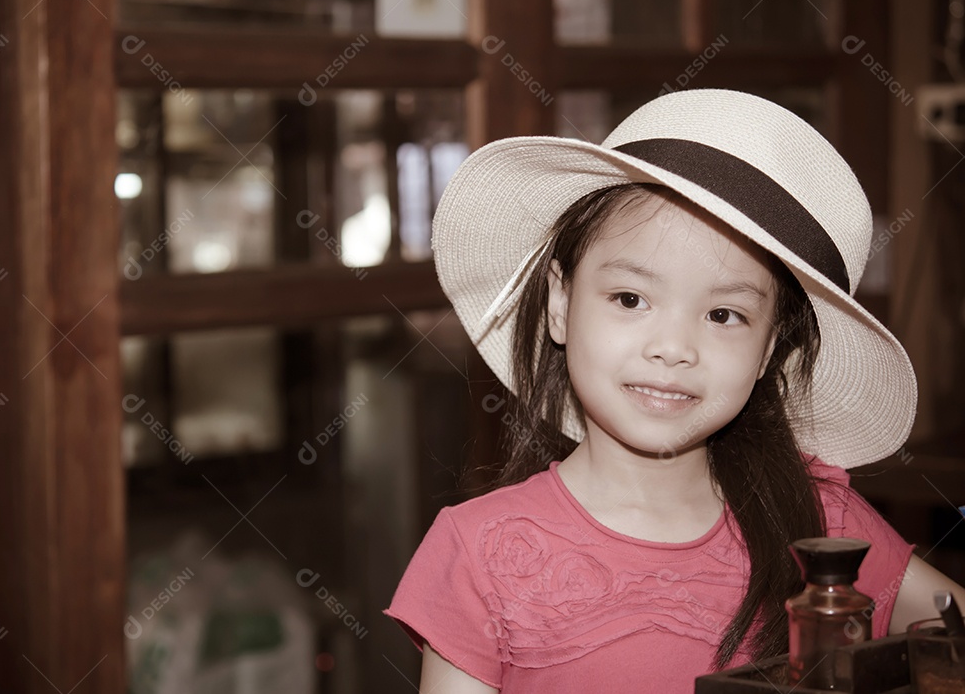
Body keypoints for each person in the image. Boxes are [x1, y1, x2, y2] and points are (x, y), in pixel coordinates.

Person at [383, 89, 965, 693]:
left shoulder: (821, 520)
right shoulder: (479, 551)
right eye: (630, 299)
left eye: (723, 315)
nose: (673, 347)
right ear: (561, 303)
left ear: (769, 349)